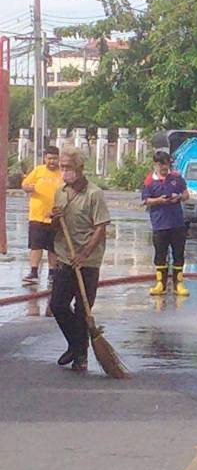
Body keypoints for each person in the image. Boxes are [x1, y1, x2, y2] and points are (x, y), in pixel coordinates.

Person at [49, 147, 111, 371]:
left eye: (68, 167)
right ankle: (76, 345)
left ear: (80, 168)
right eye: (62, 167)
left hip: (88, 260)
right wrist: (54, 219)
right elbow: (55, 227)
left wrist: (84, 254)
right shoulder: (60, 192)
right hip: (65, 256)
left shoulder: (94, 194)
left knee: (83, 309)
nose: (64, 171)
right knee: (58, 305)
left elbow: (100, 228)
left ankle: (80, 356)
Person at [142, 151, 190, 297]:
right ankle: (160, 284)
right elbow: (145, 200)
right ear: (155, 164)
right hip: (159, 224)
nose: (164, 167)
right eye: (160, 164)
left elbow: (186, 194)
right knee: (160, 254)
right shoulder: (149, 181)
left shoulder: (176, 178)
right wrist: (159, 200)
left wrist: (178, 197)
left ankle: (178, 283)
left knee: (178, 254)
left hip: (177, 223)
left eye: (166, 164)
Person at [21, 146, 62, 286]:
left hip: (56, 217)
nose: (52, 161)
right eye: (49, 158)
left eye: (54, 159)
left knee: (53, 248)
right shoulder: (38, 170)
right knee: (35, 246)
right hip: (37, 216)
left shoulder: (62, 173)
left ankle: (52, 273)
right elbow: (25, 185)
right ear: (45, 158)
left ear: (59, 159)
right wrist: (28, 188)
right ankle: (34, 272)